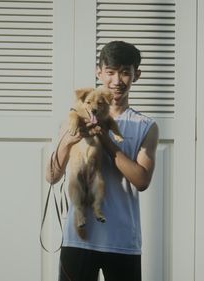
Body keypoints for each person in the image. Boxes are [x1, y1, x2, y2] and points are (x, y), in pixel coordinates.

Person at [46, 40, 159, 281]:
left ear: (136, 75)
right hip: (79, 239)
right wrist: (68, 141)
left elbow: (141, 180)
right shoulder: (74, 118)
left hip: (122, 241)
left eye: (125, 73)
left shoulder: (145, 126)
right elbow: (52, 176)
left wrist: (107, 141)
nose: (117, 81)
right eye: (110, 72)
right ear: (99, 72)